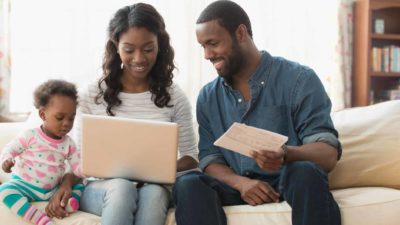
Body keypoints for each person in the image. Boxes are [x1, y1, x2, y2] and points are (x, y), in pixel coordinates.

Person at [173, 1, 342, 225]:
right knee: (188, 183)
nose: (207, 54)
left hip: (290, 182)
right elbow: (210, 159)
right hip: (237, 188)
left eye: (213, 43)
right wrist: (240, 183)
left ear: (241, 33)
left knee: (304, 172)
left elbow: (328, 153)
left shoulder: (299, 79)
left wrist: (285, 154)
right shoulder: (208, 97)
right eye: (202, 46)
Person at [45, 3, 199, 225]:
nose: (139, 58)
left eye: (148, 49)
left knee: (154, 193)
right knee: (121, 187)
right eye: (129, 49)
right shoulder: (92, 94)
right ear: (116, 46)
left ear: (160, 44)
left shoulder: (174, 96)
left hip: (154, 187)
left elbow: (191, 157)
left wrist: (157, 168)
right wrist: (66, 184)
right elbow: (78, 156)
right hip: (102, 188)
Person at [0, 80, 84, 225]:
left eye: (71, 118)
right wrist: (6, 160)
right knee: (5, 190)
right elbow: (10, 149)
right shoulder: (30, 136)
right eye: (60, 117)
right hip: (25, 186)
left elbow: (78, 168)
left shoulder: (69, 143)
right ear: (43, 114)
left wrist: (89, 169)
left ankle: (70, 204)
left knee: (81, 183)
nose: (66, 123)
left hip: (53, 190)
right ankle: (40, 219)